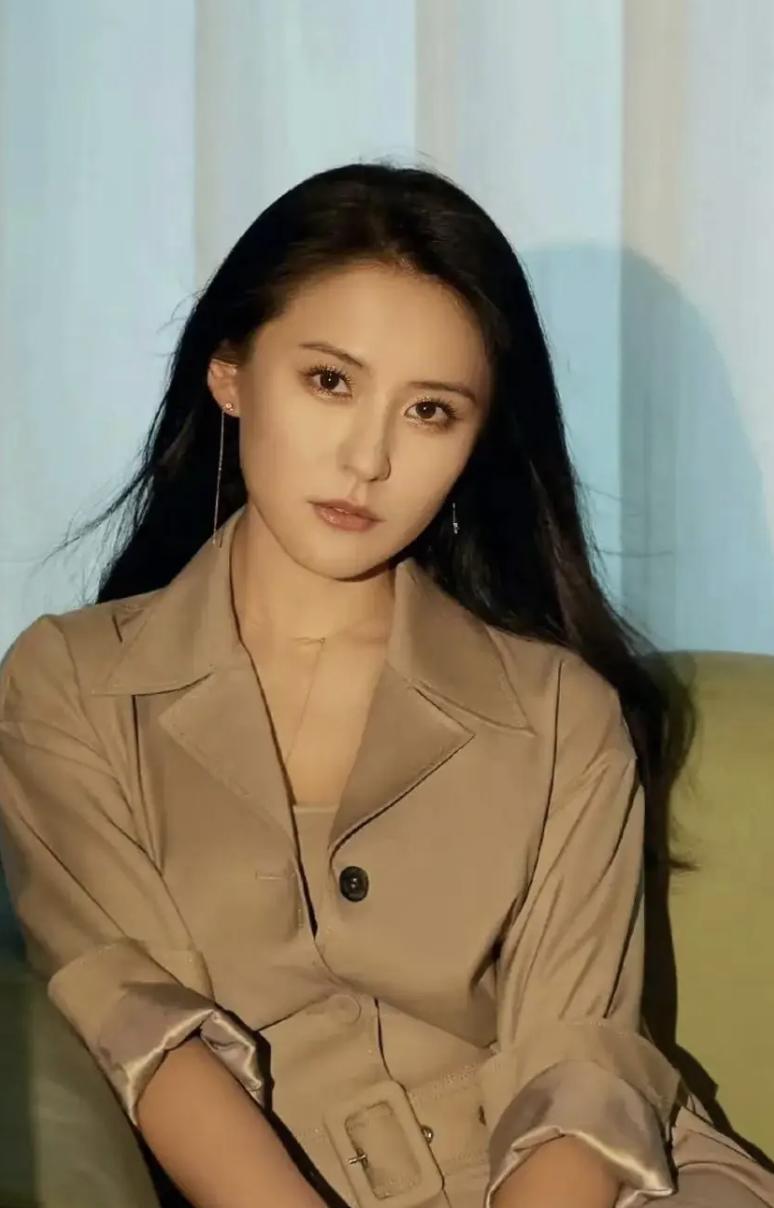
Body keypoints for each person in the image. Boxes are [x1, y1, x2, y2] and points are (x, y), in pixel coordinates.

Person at [0, 161, 772, 1208]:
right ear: (230, 373)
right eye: (330, 382)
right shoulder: (69, 685)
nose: (368, 458)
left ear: (474, 441)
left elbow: (580, 1060)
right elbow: (136, 1020)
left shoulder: (560, 711)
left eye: (431, 411)